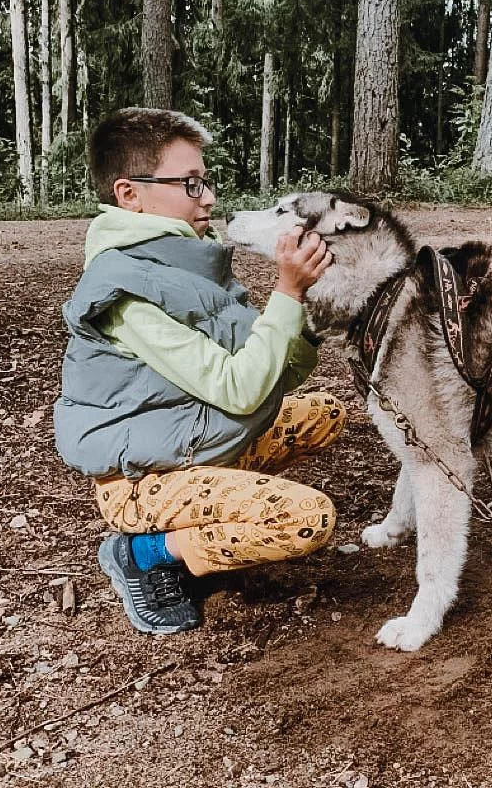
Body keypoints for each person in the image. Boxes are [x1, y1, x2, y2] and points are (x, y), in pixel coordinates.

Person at [53, 107, 343, 634]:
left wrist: (310, 312)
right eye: (189, 184)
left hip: (187, 441)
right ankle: (144, 552)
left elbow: (276, 371)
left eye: (204, 182)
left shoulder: (187, 263)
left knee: (322, 413)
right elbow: (240, 390)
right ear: (129, 194)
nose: (207, 198)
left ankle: (216, 510)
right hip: (141, 477)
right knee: (308, 520)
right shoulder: (126, 293)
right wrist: (287, 292)